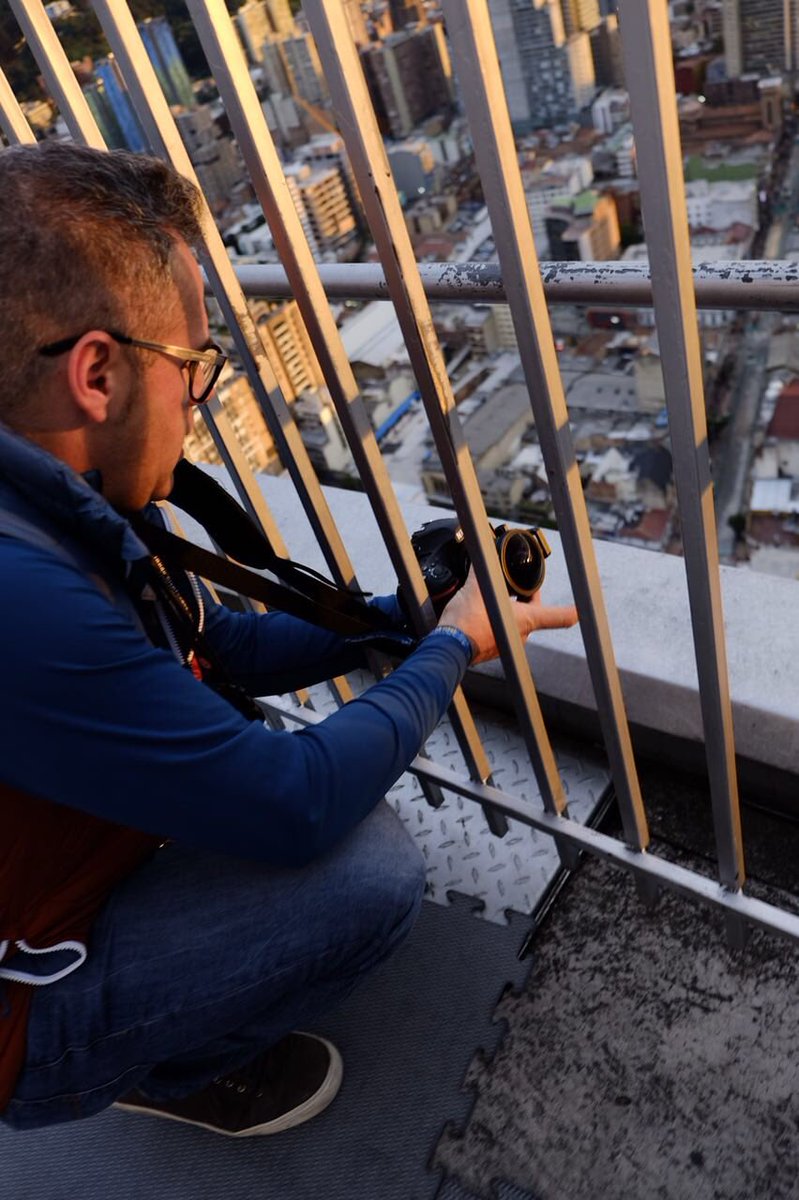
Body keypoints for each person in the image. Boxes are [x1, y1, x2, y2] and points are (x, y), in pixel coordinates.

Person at [0, 141, 578, 1138]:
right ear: (96, 373)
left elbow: (216, 642)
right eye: (193, 366)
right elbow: (294, 805)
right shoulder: (22, 592)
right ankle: (165, 1069)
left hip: (51, 861)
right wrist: (454, 648)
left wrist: (397, 614)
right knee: (367, 876)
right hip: (17, 1006)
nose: (200, 399)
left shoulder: (54, 495)